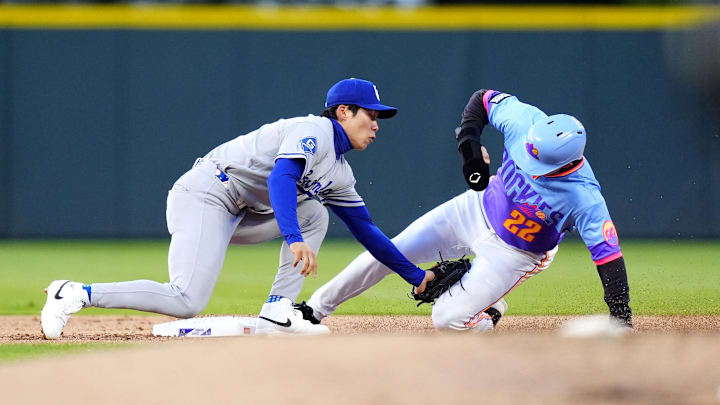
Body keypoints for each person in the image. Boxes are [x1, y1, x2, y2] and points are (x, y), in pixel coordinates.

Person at [40, 78, 435, 338]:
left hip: (244, 212)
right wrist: (294, 239)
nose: (378, 124)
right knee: (186, 301)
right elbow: (281, 179)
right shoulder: (313, 130)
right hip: (207, 194)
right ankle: (74, 292)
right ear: (344, 111)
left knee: (316, 212)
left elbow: (367, 231)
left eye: (380, 117)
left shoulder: (340, 173)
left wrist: (415, 276)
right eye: (371, 114)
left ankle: (277, 311)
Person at [298, 89, 633, 332]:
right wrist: (469, 149)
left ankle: (489, 310)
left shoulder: (584, 198)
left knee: (447, 320)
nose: (528, 161)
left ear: (566, 164)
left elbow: (609, 259)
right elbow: (482, 100)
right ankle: (313, 310)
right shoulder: (525, 122)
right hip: (474, 208)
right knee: (388, 251)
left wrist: (621, 320)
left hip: (515, 251)